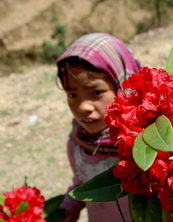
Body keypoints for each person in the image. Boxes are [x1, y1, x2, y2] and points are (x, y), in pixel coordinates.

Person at [56, 33, 141, 222]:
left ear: (122, 87)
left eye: (96, 92)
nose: (83, 107)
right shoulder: (77, 144)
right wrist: (67, 210)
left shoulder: (144, 144)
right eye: (72, 95)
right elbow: (83, 184)